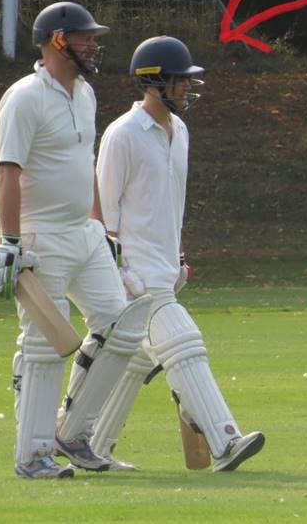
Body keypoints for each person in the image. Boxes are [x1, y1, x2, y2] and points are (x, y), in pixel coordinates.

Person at [0, 2, 152, 479]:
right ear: (59, 41)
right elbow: (7, 172)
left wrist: (102, 225)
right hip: (42, 236)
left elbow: (87, 164)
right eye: (85, 37)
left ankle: (74, 434)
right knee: (41, 345)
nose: (93, 44)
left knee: (123, 328)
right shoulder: (23, 97)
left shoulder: (86, 94)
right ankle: (32, 456)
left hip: (85, 234)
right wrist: (12, 241)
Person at [91, 36, 265, 472]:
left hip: (164, 269)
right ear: (154, 81)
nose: (188, 88)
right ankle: (225, 441)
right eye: (180, 81)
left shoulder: (180, 131)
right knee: (185, 345)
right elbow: (101, 212)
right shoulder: (123, 134)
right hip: (135, 276)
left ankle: (88, 445)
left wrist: (179, 256)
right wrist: (117, 273)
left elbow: (171, 203)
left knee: (129, 365)